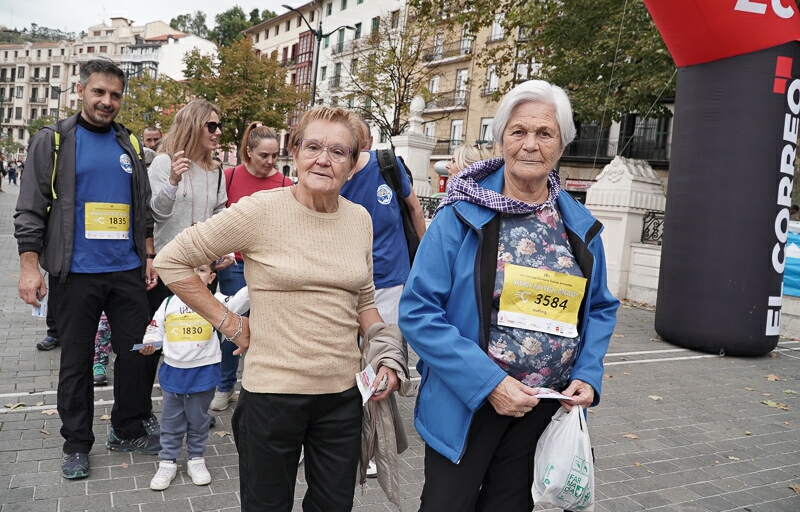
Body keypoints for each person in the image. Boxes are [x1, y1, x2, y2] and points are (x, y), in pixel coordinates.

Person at [154, 106, 400, 511]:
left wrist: (386, 353)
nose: (323, 159)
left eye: (338, 151)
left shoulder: (360, 219)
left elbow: (365, 301)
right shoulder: (260, 210)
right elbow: (170, 261)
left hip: (341, 398)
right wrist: (230, 323)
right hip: (272, 398)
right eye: (313, 146)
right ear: (296, 152)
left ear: (354, 164)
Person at [398, 80, 620, 511]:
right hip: (468, 403)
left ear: (561, 145)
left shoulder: (579, 225)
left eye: (544, 133)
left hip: (542, 409)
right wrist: (490, 384)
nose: (530, 145)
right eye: (519, 131)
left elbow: (601, 307)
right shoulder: (459, 214)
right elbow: (418, 310)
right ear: (501, 139)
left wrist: (588, 374)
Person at [14, 58, 162, 480]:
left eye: (115, 94)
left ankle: (126, 427)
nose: (107, 101)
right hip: (75, 273)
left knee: (137, 354)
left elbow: (142, 210)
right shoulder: (56, 139)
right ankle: (77, 444)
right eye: (99, 92)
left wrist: (148, 256)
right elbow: (29, 209)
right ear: (81, 91)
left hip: (127, 270)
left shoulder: (129, 143)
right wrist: (29, 269)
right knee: (76, 363)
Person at [140, 262, 250, 491]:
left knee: (198, 420)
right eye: (188, 270)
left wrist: (256, 279)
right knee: (171, 422)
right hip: (173, 372)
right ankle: (167, 462)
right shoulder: (168, 303)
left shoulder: (217, 302)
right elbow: (155, 328)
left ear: (211, 277)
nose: (194, 275)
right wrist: (151, 342)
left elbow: (241, 300)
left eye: (200, 270)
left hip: (204, 373)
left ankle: (196, 459)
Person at [210, 121, 293, 412]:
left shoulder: (285, 184)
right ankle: (225, 384)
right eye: (264, 156)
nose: (271, 162)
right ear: (248, 151)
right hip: (234, 266)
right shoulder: (230, 176)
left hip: (269, 268)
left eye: (274, 156)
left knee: (268, 329)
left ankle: (260, 388)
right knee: (232, 327)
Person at [147, 100, 231, 314]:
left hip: (203, 268)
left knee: (199, 336)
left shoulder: (216, 171)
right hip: (169, 265)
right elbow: (157, 214)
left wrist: (224, 249)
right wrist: (173, 181)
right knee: (164, 335)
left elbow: (219, 213)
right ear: (192, 126)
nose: (218, 132)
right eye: (211, 126)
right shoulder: (164, 162)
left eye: (219, 125)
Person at [339, 119, 426, 326]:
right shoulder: (333, 175)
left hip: (388, 279)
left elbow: (416, 209)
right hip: (345, 280)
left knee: (385, 348)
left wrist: (425, 259)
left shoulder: (386, 165)